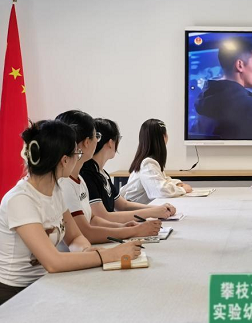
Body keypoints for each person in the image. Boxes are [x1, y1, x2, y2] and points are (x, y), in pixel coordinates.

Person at [0, 120, 141, 305]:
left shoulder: (55, 190)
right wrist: (107, 255)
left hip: (45, 283)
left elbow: (74, 237)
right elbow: (53, 262)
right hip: (16, 294)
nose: (79, 158)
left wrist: (85, 250)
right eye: (77, 153)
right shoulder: (20, 200)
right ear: (65, 160)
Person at [56, 111, 162, 243]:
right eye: (96, 136)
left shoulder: (80, 179)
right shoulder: (68, 182)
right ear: (87, 142)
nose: (97, 141)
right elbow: (86, 233)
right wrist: (132, 231)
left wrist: (124, 227)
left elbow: (93, 219)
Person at [80, 118, 178, 224]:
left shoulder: (102, 173)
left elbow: (123, 205)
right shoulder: (87, 174)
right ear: (110, 143)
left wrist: (157, 209)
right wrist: (152, 212)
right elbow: (104, 217)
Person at [121, 119, 192, 204]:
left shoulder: (148, 161)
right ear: (164, 137)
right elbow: (160, 191)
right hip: (133, 210)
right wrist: (182, 189)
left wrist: (177, 183)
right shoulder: (148, 163)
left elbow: (162, 180)